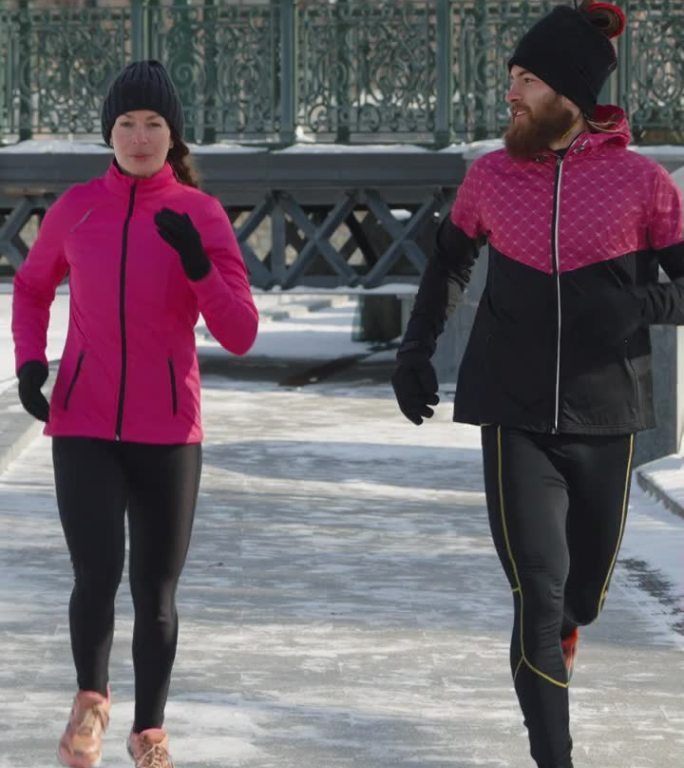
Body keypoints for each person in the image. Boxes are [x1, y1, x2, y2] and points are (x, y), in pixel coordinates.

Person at [391, 2, 683, 767]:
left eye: (526, 80)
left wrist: (640, 304)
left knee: (581, 594)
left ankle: (572, 625)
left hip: (607, 413)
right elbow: (449, 263)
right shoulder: (490, 176)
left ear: (569, 95)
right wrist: (414, 351)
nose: (511, 94)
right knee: (538, 594)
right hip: (512, 413)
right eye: (511, 78)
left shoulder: (644, 185)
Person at [11, 60, 258, 768]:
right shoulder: (77, 207)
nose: (140, 137)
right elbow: (31, 289)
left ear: (173, 134)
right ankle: (90, 704)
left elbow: (240, 331)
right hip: (84, 422)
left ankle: (149, 730)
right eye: (126, 124)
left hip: (168, 431)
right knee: (95, 574)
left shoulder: (201, 215)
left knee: (156, 593)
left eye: (153, 124)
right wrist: (32, 362)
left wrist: (198, 265)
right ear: (108, 132)